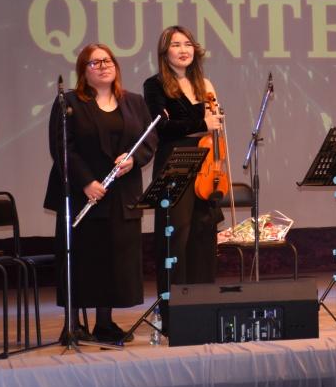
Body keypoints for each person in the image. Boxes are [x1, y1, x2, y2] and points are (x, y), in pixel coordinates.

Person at [43, 43, 155, 343]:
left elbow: (149, 140)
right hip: (83, 194)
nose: (103, 66)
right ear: (83, 71)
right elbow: (62, 147)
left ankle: (104, 323)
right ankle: (72, 325)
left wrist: (133, 160)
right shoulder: (68, 102)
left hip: (121, 194)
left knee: (114, 261)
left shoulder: (134, 102)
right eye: (94, 63)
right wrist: (86, 182)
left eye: (107, 61)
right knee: (81, 259)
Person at [143, 26, 224, 322]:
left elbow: (215, 128)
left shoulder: (205, 84)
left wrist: (213, 124)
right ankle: (174, 313)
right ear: (165, 53)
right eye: (176, 45)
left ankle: (203, 309)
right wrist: (201, 123)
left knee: (203, 236)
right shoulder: (155, 86)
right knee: (176, 237)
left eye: (187, 44)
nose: (183, 50)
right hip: (175, 162)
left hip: (204, 164)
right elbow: (162, 128)